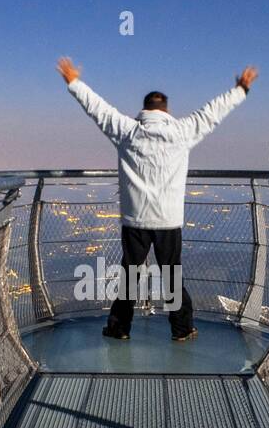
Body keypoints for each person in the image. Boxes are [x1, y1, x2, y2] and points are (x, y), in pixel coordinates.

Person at [57, 56, 258, 341]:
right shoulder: (183, 131)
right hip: (168, 219)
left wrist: (73, 82)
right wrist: (241, 89)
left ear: (143, 110)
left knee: (130, 276)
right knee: (172, 277)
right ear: (166, 111)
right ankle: (181, 329)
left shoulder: (126, 130)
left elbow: (97, 108)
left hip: (135, 219)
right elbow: (214, 111)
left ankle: (119, 328)